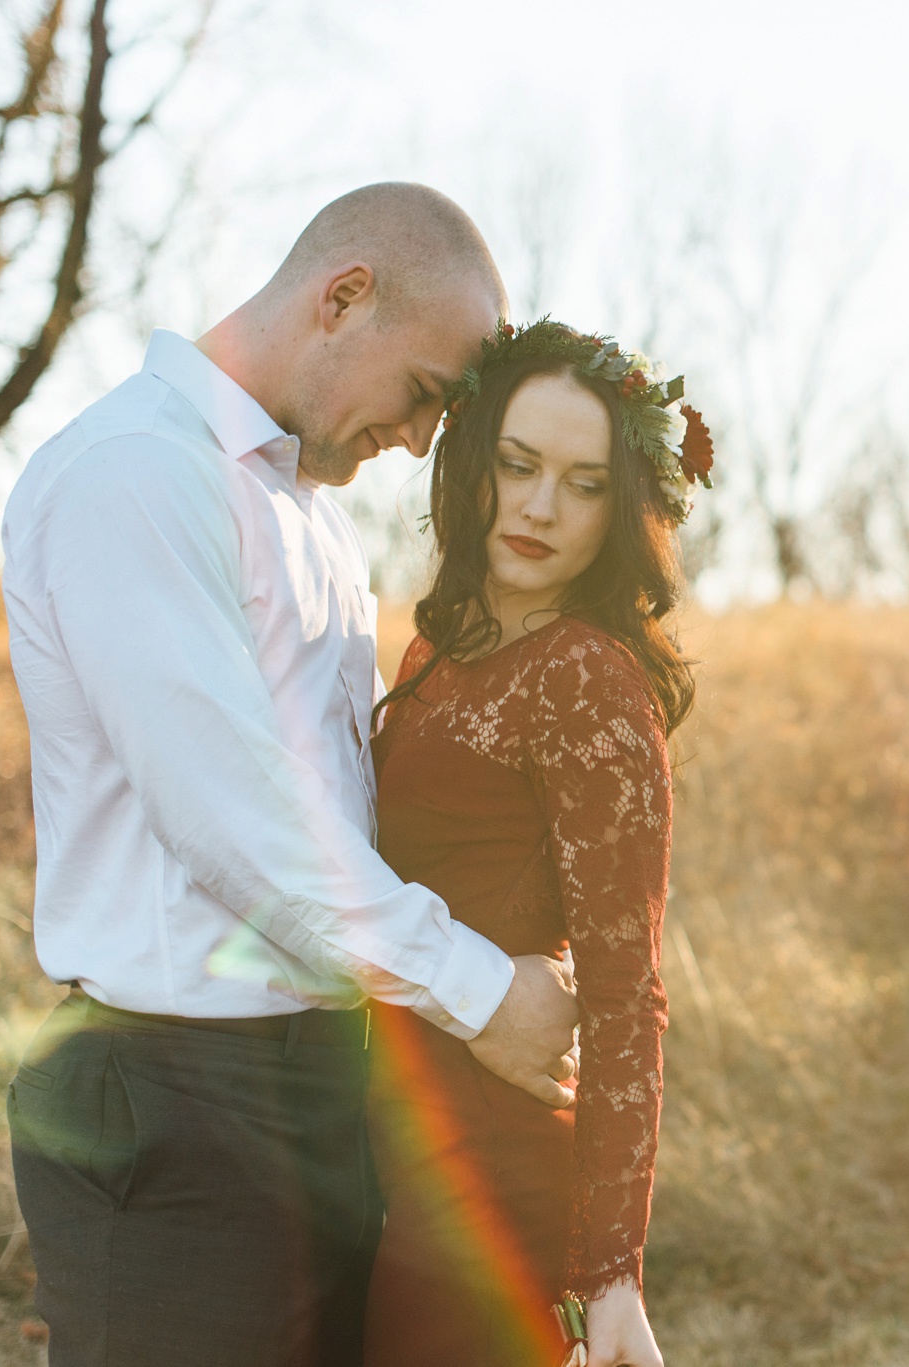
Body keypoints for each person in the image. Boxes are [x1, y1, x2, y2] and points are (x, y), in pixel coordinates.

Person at [0, 184, 582, 1367]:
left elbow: (350, 808)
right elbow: (242, 826)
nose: (422, 438)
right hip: (172, 1103)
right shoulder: (134, 476)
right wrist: (479, 992)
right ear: (343, 297)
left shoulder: (313, 515)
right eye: (423, 393)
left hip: (324, 1088)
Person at [361, 320, 713, 1367]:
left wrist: (608, 1270)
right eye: (517, 465)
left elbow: (623, 991)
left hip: (499, 1180)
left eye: (583, 481)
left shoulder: (585, 680)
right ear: (475, 462)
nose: (539, 506)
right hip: (403, 1154)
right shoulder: (441, 648)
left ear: (622, 508)